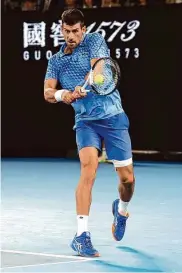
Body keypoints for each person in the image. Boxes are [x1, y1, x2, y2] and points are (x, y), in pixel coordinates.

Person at [44, 8, 135, 257]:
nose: (71, 35)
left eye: (76, 31)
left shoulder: (94, 41)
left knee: (127, 180)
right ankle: (81, 235)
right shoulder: (56, 60)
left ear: (83, 29)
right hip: (85, 122)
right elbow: (48, 92)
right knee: (88, 169)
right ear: (61, 29)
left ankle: (122, 210)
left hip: (113, 117)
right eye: (67, 31)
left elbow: (99, 68)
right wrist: (65, 95)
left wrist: (87, 83)